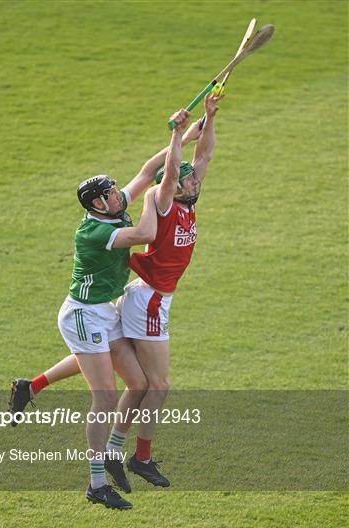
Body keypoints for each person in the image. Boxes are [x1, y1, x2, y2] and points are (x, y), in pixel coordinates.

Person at [8, 108, 196, 510]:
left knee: (141, 384)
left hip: (103, 311)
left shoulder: (108, 208)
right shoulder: (98, 229)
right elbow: (147, 231)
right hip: (82, 314)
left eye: (115, 190)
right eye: (111, 193)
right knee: (105, 398)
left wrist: (183, 135)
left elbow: (148, 170)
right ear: (97, 202)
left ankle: (45, 397)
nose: (119, 194)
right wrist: (152, 198)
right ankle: (95, 483)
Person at [116, 91, 223, 489]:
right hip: (150, 300)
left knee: (135, 380)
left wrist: (209, 118)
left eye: (193, 179)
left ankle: (117, 449)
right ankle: (138, 458)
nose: (194, 179)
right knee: (156, 386)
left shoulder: (189, 201)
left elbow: (205, 157)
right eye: (185, 179)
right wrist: (178, 135)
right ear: (172, 188)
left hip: (153, 297)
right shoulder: (164, 203)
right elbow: (173, 171)